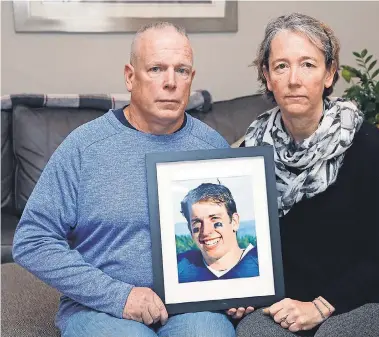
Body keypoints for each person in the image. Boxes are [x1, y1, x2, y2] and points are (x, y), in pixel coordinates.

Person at [12, 22, 236, 337]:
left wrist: (236, 289)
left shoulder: (211, 146)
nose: (170, 82)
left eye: (181, 71)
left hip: (192, 306)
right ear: (130, 77)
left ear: (192, 78)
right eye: (156, 69)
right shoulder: (85, 147)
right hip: (103, 309)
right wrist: (120, 297)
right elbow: (32, 241)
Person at [231, 13, 379, 337]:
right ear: (267, 76)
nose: (294, 79)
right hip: (290, 301)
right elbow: (245, 246)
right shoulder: (250, 153)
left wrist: (320, 307)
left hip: (376, 295)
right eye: (281, 66)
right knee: (252, 332)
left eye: (308, 64)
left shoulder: (369, 146)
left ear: (329, 73)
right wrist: (239, 289)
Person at [177, 183, 259, 283]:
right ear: (190, 229)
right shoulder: (178, 269)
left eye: (215, 220)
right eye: (197, 224)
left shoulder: (263, 262)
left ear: (234, 222)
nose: (206, 231)